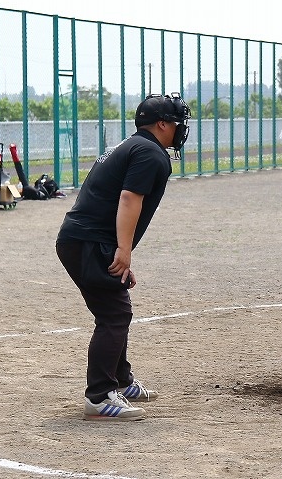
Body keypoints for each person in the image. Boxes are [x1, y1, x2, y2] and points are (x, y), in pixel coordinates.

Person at [55, 93, 191, 420]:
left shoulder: (133, 145)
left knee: (117, 308)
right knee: (114, 314)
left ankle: (121, 381)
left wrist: (119, 251)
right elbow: (129, 199)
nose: (181, 129)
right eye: (177, 122)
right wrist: (124, 251)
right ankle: (100, 396)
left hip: (85, 241)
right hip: (88, 243)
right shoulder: (150, 153)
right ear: (162, 124)